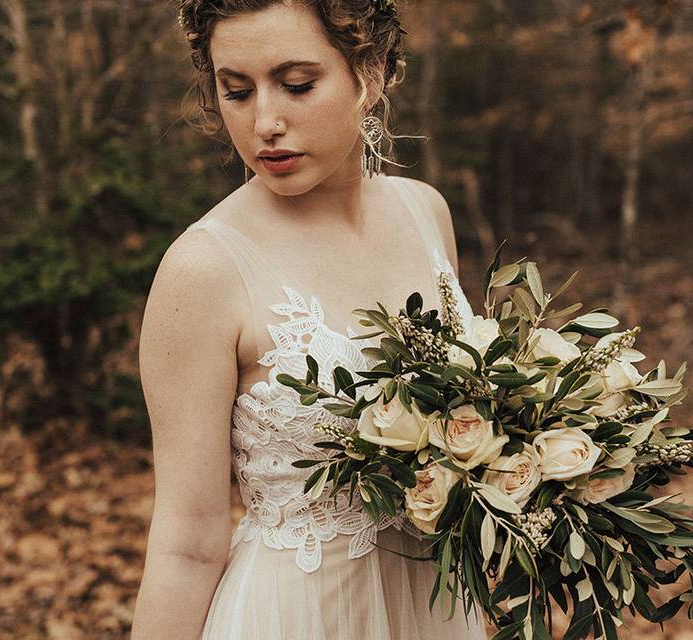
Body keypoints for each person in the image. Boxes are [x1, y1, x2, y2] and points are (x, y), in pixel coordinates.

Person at [132, 1, 487, 638]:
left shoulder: (425, 213)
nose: (264, 121)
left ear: (371, 72)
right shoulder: (203, 269)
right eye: (235, 91)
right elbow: (186, 544)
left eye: (297, 85)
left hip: (436, 609)